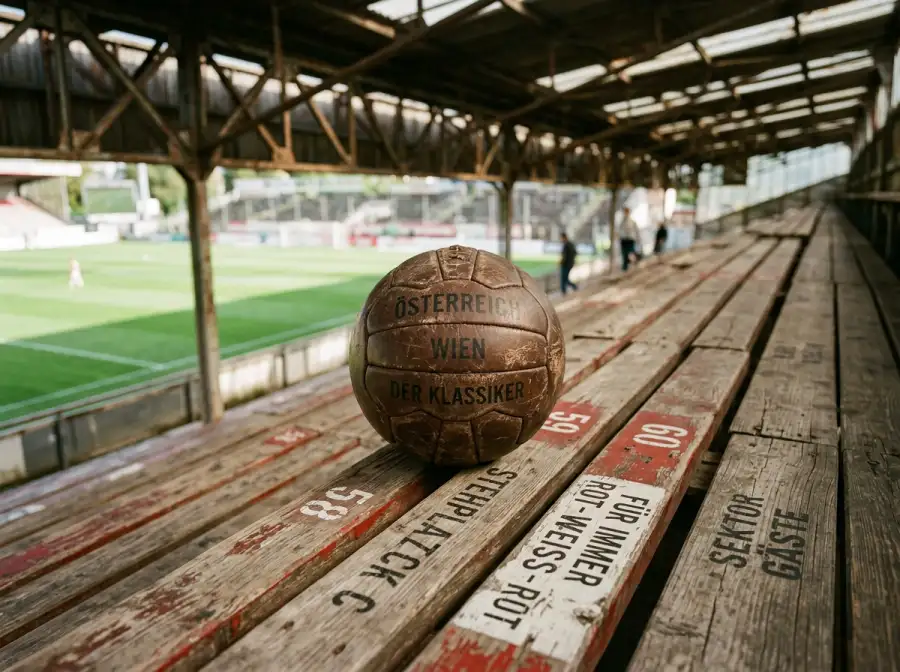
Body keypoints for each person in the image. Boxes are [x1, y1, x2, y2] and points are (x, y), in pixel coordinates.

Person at [619, 207, 641, 272]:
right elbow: (619, 231)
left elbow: (636, 230)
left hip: (630, 240)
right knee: (624, 254)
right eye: (625, 212)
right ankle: (624, 268)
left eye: (627, 212)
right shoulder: (622, 222)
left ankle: (635, 264)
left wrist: (638, 239)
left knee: (631, 253)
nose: (625, 213)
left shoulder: (632, 221)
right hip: (623, 240)